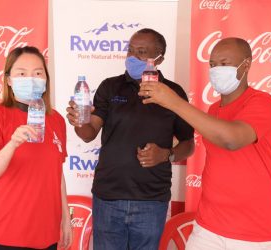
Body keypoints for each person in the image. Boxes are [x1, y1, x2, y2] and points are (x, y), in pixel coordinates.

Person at [139, 37, 271, 250]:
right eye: (212, 65)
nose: (216, 70)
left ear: (246, 65)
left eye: (224, 64)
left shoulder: (262, 102)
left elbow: (231, 139)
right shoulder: (214, 109)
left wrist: (173, 101)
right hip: (209, 226)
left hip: (255, 232)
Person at [66, 28, 195, 249]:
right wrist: (79, 121)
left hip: (151, 200)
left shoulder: (173, 92)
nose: (132, 57)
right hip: (108, 197)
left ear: (159, 57)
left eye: (142, 51)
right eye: (130, 50)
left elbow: (188, 144)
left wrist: (167, 154)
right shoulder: (110, 86)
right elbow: (88, 134)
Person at [0, 46, 72, 250]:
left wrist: (65, 218)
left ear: (46, 79)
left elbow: (57, 175)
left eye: (38, 73)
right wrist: (13, 143)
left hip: (47, 232)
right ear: (9, 80)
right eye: (21, 73)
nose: (31, 79)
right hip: (7, 233)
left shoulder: (56, 120)